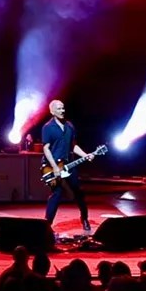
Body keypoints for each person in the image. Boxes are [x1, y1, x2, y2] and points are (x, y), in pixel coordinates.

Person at [41, 99, 93, 234]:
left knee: (78, 192)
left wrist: (85, 155)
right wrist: (55, 167)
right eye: (58, 108)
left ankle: (85, 219)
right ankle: (47, 224)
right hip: (54, 166)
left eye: (63, 108)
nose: (62, 111)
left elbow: (73, 146)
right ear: (52, 111)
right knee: (56, 194)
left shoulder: (70, 126)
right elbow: (46, 149)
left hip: (69, 164)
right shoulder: (48, 128)